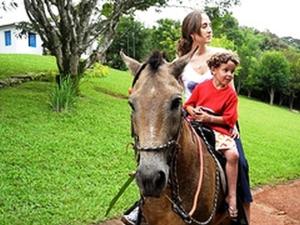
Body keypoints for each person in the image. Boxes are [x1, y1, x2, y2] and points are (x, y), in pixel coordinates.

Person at [177, 10, 252, 223]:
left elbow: (232, 94)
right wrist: (190, 112)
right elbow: (181, 96)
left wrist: (232, 121)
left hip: (222, 120)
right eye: (204, 26)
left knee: (242, 163)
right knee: (162, 153)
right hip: (191, 118)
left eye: (210, 25)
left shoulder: (221, 54)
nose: (210, 30)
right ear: (193, 33)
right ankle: (143, 207)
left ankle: (242, 214)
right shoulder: (181, 61)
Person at [184, 52, 240, 219]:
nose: (229, 75)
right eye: (225, 70)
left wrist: (209, 118)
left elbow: (230, 119)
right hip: (196, 125)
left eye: (232, 71)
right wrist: (192, 111)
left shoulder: (231, 95)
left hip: (217, 130)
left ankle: (232, 195)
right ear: (214, 70)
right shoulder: (202, 87)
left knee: (233, 155)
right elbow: (188, 104)